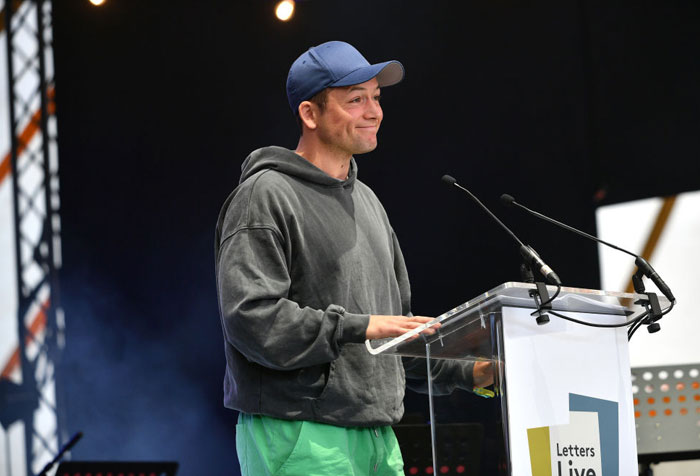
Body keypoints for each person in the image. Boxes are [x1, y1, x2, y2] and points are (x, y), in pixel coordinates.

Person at [215, 40, 492, 476]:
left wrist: (470, 372)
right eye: (356, 100)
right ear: (310, 114)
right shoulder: (264, 195)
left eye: (376, 98)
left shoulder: (368, 202)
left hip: (378, 435)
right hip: (301, 432)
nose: (374, 112)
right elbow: (253, 319)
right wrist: (358, 325)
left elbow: (394, 332)